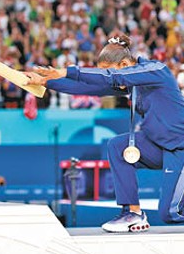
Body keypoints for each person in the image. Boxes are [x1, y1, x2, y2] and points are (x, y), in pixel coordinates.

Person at [25, 34, 184, 233]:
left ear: (125, 63)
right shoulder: (131, 84)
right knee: (117, 146)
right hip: (160, 146)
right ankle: (133, 213)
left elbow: (112, 77)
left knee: (169, 213)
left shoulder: (156, 70)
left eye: (108, 71)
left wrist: (65, 71)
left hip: (180, 149)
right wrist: (45, 82)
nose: (107, 77)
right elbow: (88, 87)